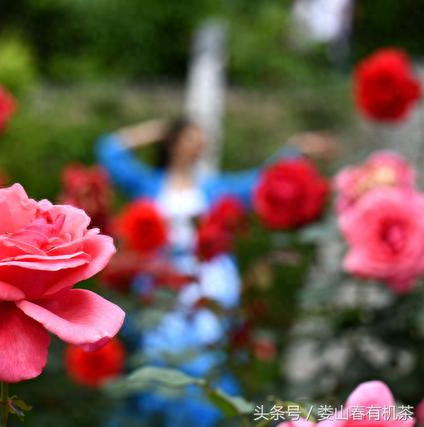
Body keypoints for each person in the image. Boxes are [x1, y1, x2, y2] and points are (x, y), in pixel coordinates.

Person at [97, 118, 335, 427]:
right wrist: (153, 131)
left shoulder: (215, 188)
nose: (199, 143)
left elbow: (261, 179)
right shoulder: (148, 185)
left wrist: (296, 148)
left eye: (201, 137)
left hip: (209, 283)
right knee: (161, 352)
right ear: (175, 142)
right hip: (162, 285)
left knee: (207, 354)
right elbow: (109, 151)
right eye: (191, 136)